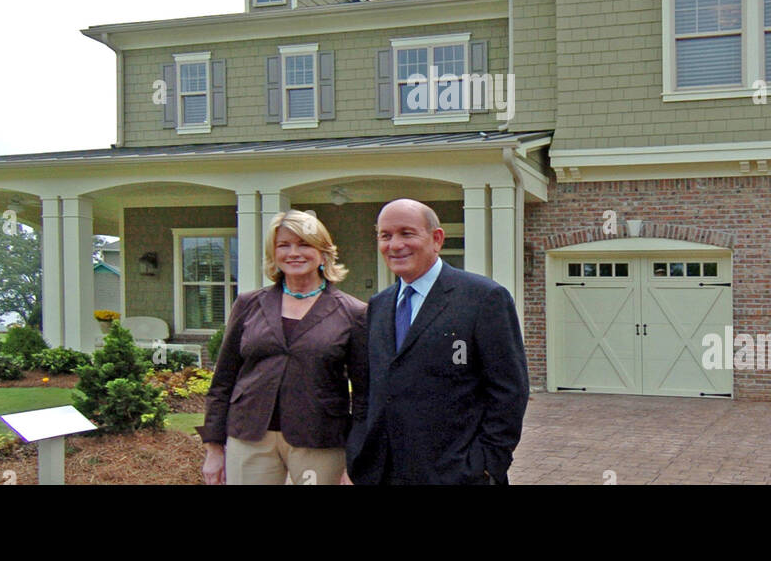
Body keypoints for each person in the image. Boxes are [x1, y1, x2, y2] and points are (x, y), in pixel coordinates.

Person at [345, 198, 529, 484]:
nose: (394, 245)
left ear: (436, 239)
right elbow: (366, 392)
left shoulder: (483, 298)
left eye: (407, 233)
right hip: (384, 472)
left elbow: (508, 391)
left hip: (456, 473)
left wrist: (485, 465)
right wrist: (358, 451)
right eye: (385, 235)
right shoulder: (378, 306)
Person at [199, 209, 367, 485]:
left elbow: (365, 396)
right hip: (249, 435)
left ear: (323, 252)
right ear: (273, 253)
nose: (294, 253)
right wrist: (214, 448)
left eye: (304, 244)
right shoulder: (248, 304)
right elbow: (223, 381)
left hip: (319, 439)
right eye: (284, 245)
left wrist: (356, 460)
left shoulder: (354, 312)